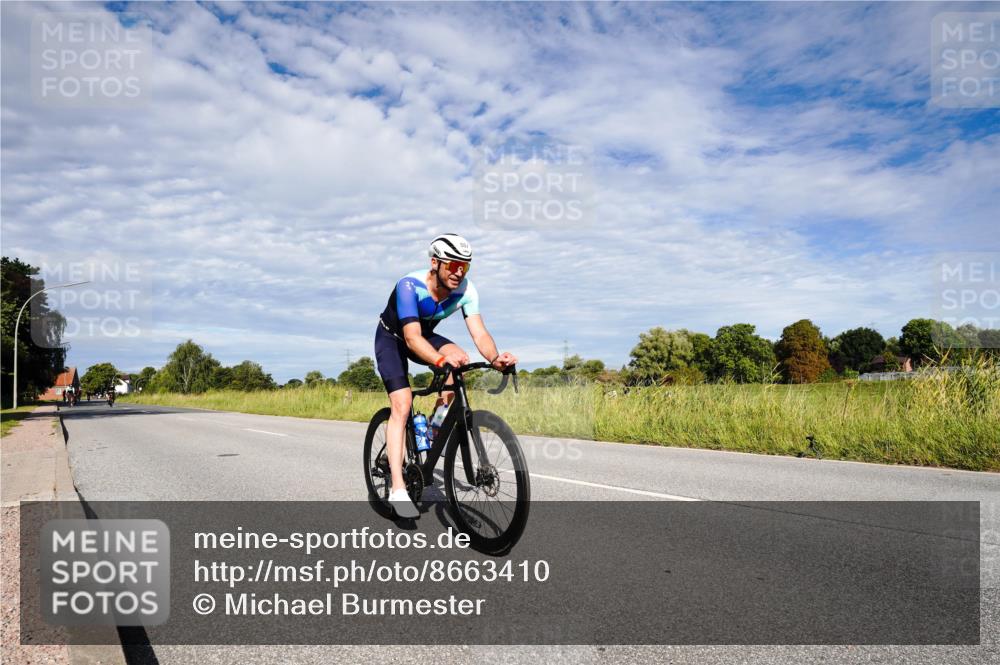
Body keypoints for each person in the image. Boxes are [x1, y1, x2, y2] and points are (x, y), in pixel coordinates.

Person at [375, 233, 516, 518]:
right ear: (435, 263)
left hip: (425, 335)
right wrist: (441, 360)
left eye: (465, 266)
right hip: (393, 338)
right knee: (402, 404)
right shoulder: (409, 287)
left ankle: (433, 428)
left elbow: (479, 333)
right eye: (453, 265)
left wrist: (495, 358)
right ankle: (398, 488)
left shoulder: (466, 290)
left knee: (459, 362)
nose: (459, 272)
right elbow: (412, 339)